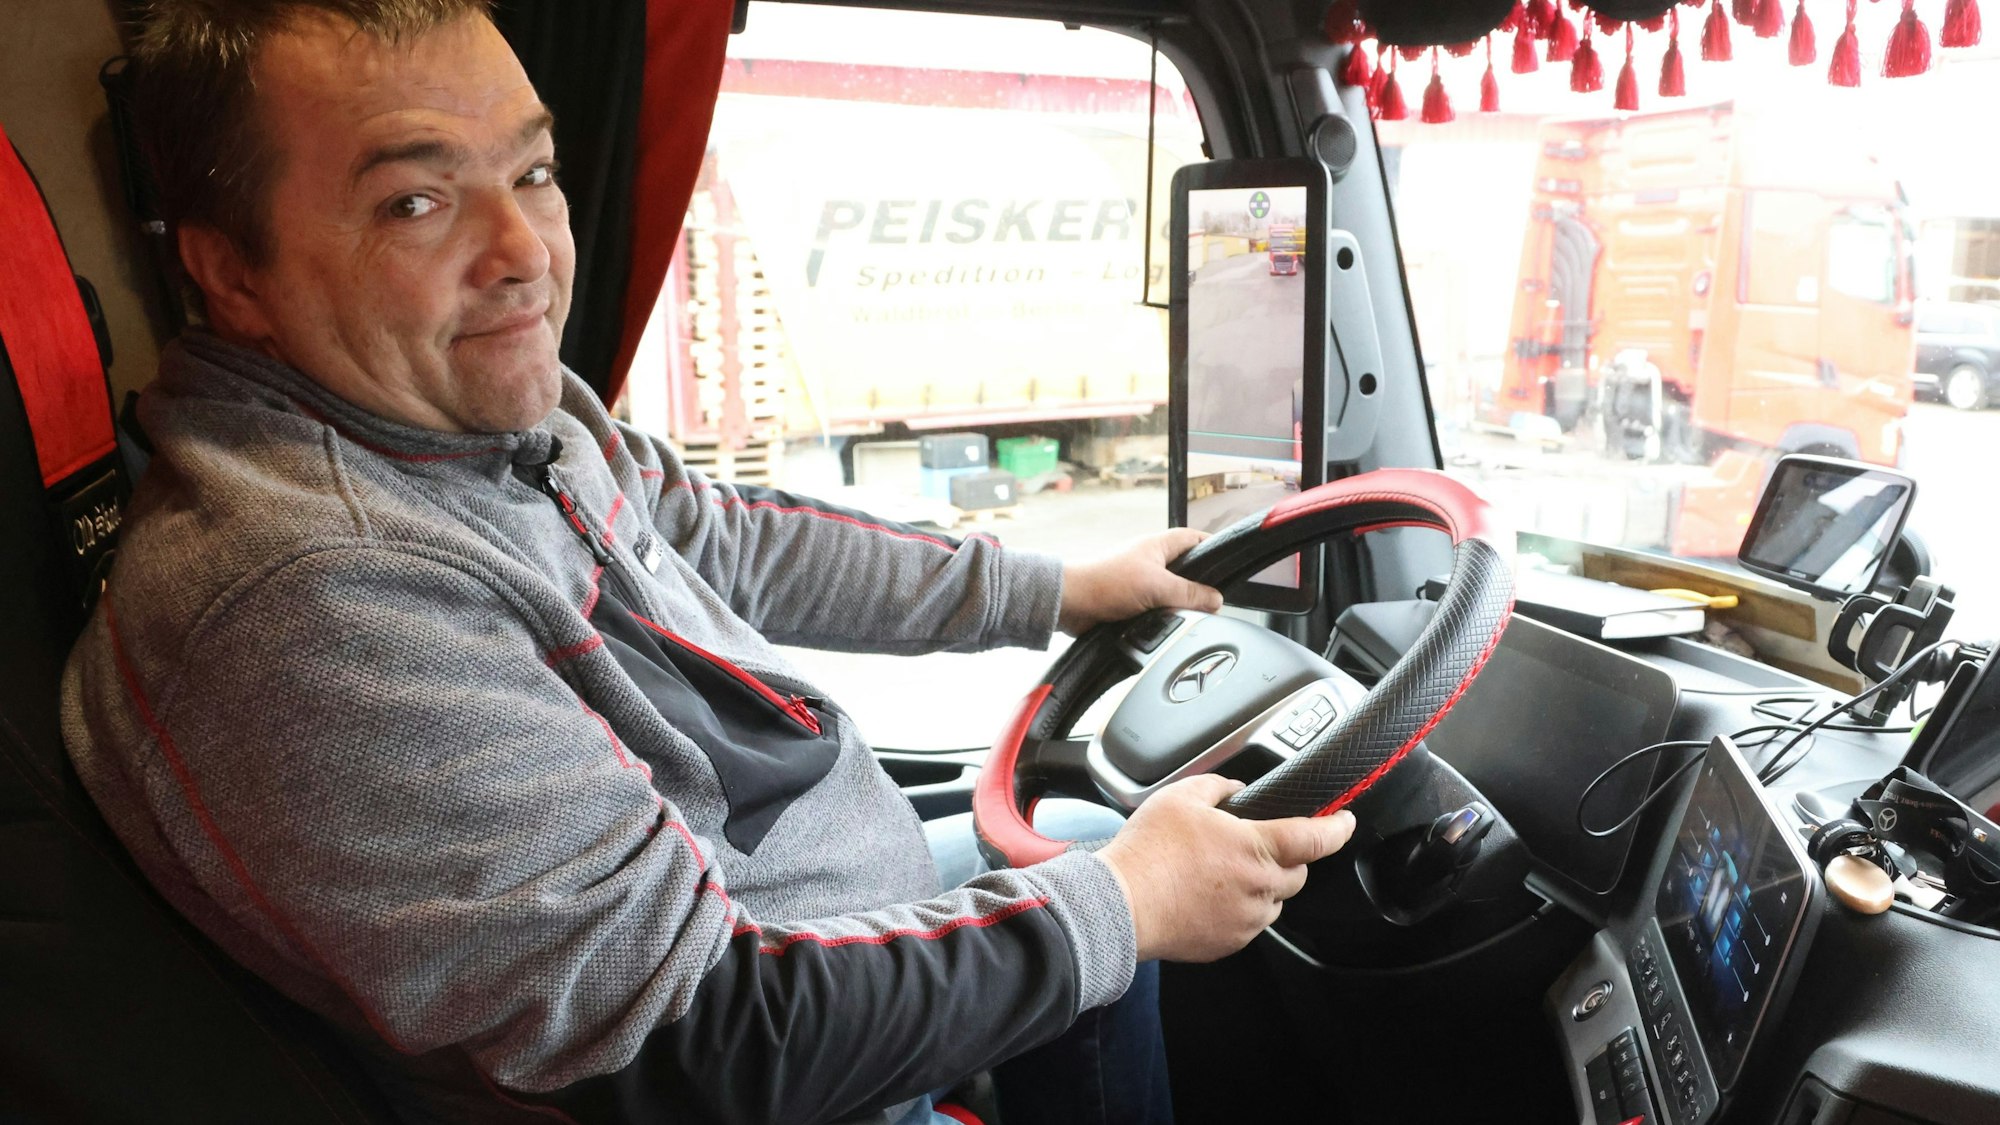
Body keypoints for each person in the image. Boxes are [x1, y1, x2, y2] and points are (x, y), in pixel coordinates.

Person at [60, 2, 1360, 1122]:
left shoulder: (465, 416)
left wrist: (1059, 588)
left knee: (1076, 832)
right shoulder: (312, 595)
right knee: (1100, 878)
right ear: (230, 273)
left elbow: (722, 532)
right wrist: (1120, 910)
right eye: (416, 200)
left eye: (537, 173)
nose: (525, 256)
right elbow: (702, 1043)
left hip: (794, 920)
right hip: (762, 1061)